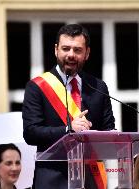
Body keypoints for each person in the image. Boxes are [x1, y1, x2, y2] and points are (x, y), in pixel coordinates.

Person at [22, 24, 115, 189]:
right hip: (52, 180)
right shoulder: (37, 87)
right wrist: (68, 130)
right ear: (56, 50)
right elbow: (31, 132)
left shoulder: (98, 87)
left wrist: (101, 135)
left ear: (87, 53)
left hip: (90, 179)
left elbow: (108, 129)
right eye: (66, 49)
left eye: (77, 50)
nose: (71, 55)